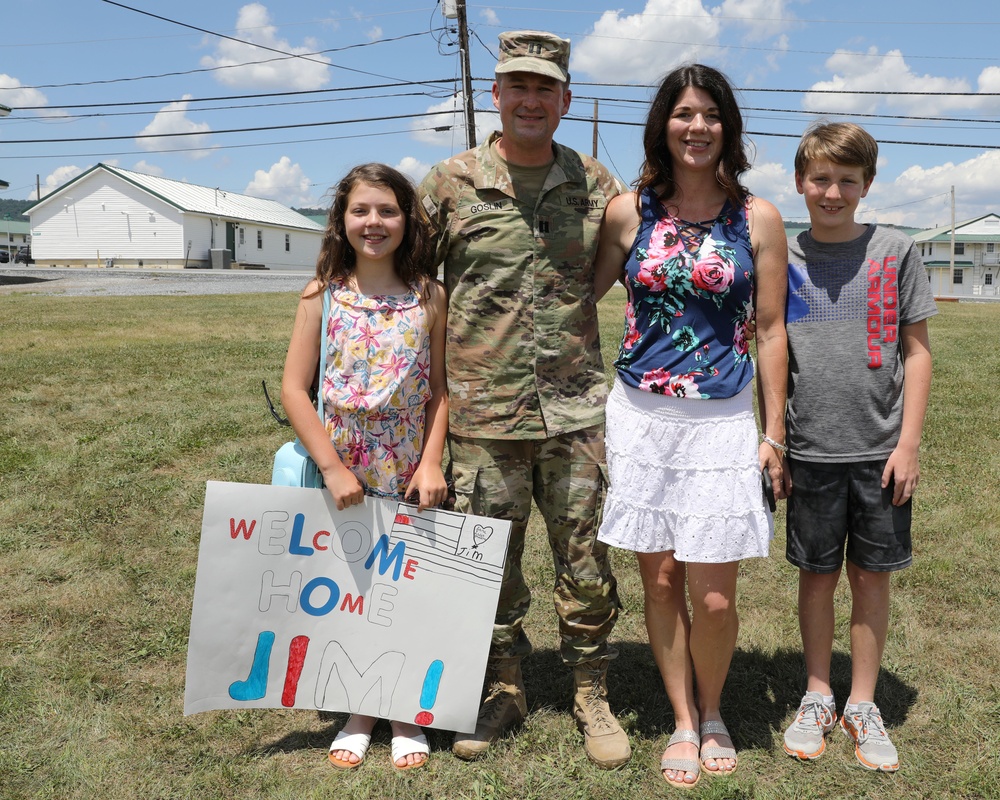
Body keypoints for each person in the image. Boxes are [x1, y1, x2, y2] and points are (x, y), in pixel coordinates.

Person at [417, 30, 631, 769]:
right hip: (482, 413)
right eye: (518, 87)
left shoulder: (597, 186)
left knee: (586, 558)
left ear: (565, 100)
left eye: (546, 89)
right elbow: (410, 282)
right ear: (497, 96)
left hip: (574, 411)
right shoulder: (449, 183)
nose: (531, 100)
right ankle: (502, 684)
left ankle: (590, 690)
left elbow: (604, 272)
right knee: (486, 560)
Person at [592, 63, 789, 788]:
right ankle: (683, 718)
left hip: (725, 420)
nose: (697, 126)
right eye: (683, 114)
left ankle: (715, 709)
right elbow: (580, 300)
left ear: (727, 127)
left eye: (710, 114)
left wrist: (774, 432)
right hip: (642, 415)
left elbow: (769, 330)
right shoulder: (628, 212)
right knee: (664, 578)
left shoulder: (757, 218)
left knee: (714, 594)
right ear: (663, 126)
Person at [280, 163, 449, 771]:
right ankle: (358, 710)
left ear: (407, 221)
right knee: (352, 587)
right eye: (361, 211)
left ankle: (403, 710)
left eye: (387, 211)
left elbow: (440, 390)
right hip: (342, 469)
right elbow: (296, 390)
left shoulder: (430, 296)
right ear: (342, 220)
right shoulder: (321, 293)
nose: (373, 223)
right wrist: (331, 468)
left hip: (406, 472)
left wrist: (430, 461)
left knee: (401, 589)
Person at [780, 122, 935, 773]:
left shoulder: (895, 250)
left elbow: (918, 352)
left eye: (847, 180)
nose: (833, 191)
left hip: (879, 454)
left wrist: (909, 444)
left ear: (866, 185)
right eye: (821, 178)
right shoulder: (782, 258)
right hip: (809, 452)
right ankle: (819, 692)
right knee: (816, 577)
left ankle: (863, 702)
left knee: (871, 577)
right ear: (800, 183)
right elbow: (768, 349)